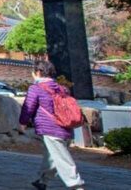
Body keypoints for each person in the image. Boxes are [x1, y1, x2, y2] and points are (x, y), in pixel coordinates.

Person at [19, 60, 85, 190]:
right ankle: (42, 180)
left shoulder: (36, 88)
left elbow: (28, 107)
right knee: (52, 155)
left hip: (50, 128)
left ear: (37, 72)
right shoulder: (62, 89)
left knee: (62, 158)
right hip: (66, 127)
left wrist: (23, 123)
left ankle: (76, 185)